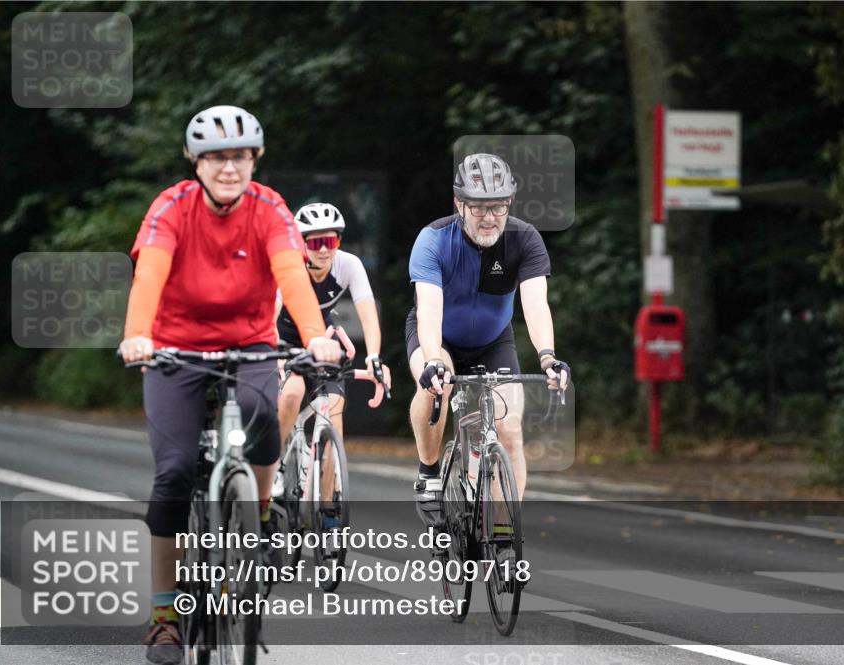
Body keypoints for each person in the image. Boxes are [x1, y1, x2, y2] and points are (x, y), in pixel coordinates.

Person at [118, 105, 341, 665]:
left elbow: (291, 273)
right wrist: (138, 334)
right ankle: (165, 617)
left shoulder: (268, 208)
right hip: (174, 349)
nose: (228, 168)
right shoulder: (172, 206)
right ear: (196, 162)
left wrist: (314, 335)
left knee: (265, 419)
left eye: (239, 156)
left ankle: (260, 512)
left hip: (250, 345)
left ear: (254, 161)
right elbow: (151, 272)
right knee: (171, 474)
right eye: (216, 157)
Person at [406, 153, 570, 528]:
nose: (489, 217)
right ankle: (429, 473)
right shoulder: (432, 240)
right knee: (436, 388)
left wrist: (548, 357)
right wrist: (433, 359)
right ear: (459, 204)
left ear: (509, 203)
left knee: (510, 427)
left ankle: (501, 529)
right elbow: (429, 310)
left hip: (494, 341)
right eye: (478, 207)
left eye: (497, 206)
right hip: (438, 336)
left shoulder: (525, 239)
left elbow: (535, 304)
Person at [273, 203, 391, 509]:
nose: (324, 250)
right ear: (302, 243)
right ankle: (273, 465)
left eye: (331, 241)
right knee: (292, 393)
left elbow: (368, 314)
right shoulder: (289, 266)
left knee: (334, 409)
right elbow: (269, 318)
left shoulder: (348, 265)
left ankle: (328, 507)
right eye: (315, 243)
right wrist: (275, 356)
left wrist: (374, 356)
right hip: (285, 339)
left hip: (323, 342)